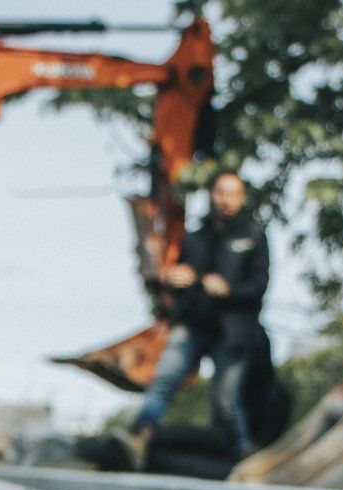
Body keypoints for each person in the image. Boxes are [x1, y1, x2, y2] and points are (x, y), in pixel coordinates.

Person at [116, 170, 279, 468]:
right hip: (193, 325)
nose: (227, 200)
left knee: (226, 400)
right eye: (222, 193)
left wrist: (228, 289)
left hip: (233, 332)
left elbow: (258, 287)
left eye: (233, 194)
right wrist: (173, 281)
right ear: (212, 195)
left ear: (241, 198)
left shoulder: (253, 237)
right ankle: (140, 439)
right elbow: (183, 282)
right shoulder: (194, 238)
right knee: (163, 381)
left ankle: (243, 455)